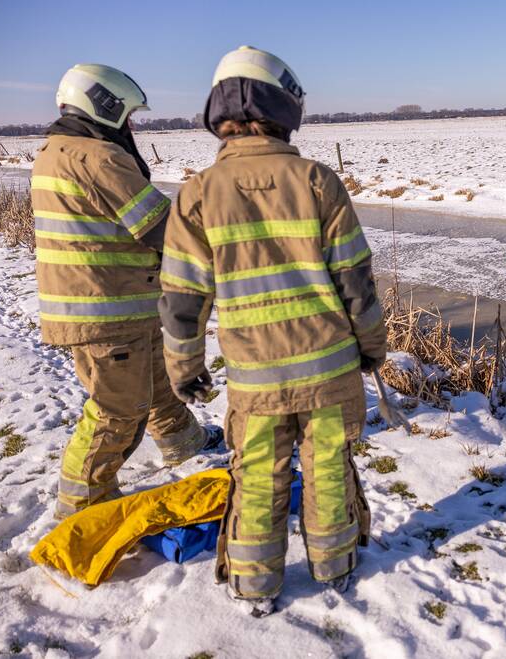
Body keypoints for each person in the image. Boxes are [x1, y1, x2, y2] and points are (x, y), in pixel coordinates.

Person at [158, 46, 388, 616]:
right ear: (285, 107)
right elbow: (356, 282)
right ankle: (336, 568)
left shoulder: (196, 194)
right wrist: (372, 347)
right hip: (330, 373)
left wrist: (185, 372)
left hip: (256, 385)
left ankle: (256, 587)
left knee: (258, 476)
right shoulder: (316, 181)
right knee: (329, 469)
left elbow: (182, 303)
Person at [30, 64, 222, 519]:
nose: (131, 125)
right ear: (105, 106)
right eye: (128, 115)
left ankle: (182, 441)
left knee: (155, 381)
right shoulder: (98, 157)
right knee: (119, 409)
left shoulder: (56, 151)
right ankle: (84, 502)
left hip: (114, 303)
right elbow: (162, 227)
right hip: (105, 309)